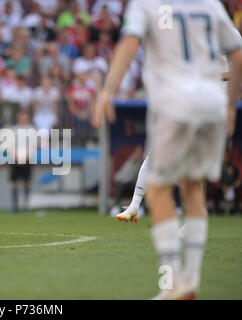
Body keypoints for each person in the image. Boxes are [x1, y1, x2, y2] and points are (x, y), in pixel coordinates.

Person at [92, 0, 242, 300]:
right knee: (193, 187)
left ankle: (173, 279)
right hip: (212, 102)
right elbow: (238, 54)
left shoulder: (146, 4)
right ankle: (191, 280)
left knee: (160, 189)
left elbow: (130, 42)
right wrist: (230, 106)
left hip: (175, 98)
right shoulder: (210, 5)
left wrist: (108, 90)